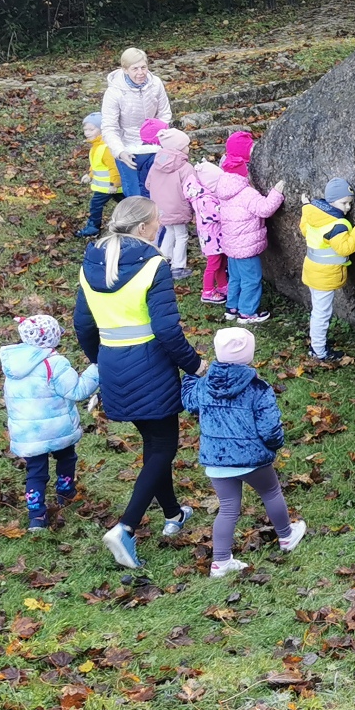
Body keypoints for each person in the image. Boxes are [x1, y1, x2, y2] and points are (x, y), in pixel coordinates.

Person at [73, 196, 205, 571]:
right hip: (151, 366)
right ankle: (126, 527)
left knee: (152, 443)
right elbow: (166, 329)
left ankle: (174, 514)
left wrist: (101, 362)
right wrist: (194, 365)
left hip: (114, 364)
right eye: (158, 220)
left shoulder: (91, 261)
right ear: (146, 226)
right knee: (163, 446)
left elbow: (83, 325)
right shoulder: (153, 264)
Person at [183, 327, 304, 577]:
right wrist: (274, 445)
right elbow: (270, 429)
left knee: (228, 507)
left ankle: (221, 562)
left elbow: (190, 403)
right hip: (252, 459)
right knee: (270, 492)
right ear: (249, 355)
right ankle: (286, 536)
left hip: (216, 460)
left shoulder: (203, 386)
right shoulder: (258, 388)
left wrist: (191, 376)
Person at [2, 314, 99, 531]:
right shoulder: (54, 363)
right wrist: (97, 368)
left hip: (27, 431)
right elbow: (77, 390)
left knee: (36, 471)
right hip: (56, 428)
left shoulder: (14, 363)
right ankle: (65, 490)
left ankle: (36, 515)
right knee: (66, 457)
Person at [215, 131, 285, 323]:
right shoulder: (245, 193)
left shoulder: (224, 189)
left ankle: (232, 307)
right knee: (251, 280)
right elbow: (264, 209)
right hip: (246, 248)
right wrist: (276, 193)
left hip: (231, 246)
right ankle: (248, 312)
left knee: (236, 279)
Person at [299, 177, 355, 362]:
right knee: (322, 314)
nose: (347, 208)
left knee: (318, 310)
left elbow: (304, 229)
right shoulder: (337, 225)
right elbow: (345, 248)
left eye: (350, 203)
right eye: (344, 203)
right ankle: (319, 351)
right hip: (325, 276)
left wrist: (305, 206)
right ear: (331, 201)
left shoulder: (314, 215)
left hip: (312, 270)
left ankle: (317, 342)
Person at [100, 47, 172, 199]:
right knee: (135, 196)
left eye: (143, 67)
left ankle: (162, 223)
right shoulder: (114, 93)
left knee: (158, 192)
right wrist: (120, 152)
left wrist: (158, 136)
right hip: (128, 149)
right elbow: (109, 127)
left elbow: (164, 113)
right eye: (135, 69)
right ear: (125, 70)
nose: (140, 73)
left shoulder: (156, 84)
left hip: (153, 147)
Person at [143, 127, 195, 278]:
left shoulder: (156, 164)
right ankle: (178, 267)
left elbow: (148, 184)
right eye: (186, 145)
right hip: (178, 207)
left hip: (160, 207)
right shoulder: (185, 168)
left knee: (170, 232)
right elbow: (192, 189)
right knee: (181, 235)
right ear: (178, 148)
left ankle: (163, 260)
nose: (189, 148)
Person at [185, 156, 229, 306]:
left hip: (215, 237)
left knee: (220, 263)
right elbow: (216, 214)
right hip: (213, 239)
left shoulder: (204, 196)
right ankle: (208, 291)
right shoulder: (205, 200)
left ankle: (223, 286)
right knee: (214, 265)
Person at [77, 112, 123, 238]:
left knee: (96, 205)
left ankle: (93, 228)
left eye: (91, 129)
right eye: (85, 129)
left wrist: (115, 184)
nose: (87, 132)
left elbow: (114, 167)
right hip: (108, 187)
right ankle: (135, 219)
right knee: (125, 202)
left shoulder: (105, 148)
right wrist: (90, 175)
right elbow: (97, 165)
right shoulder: (96, 146)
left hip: (109, 187)